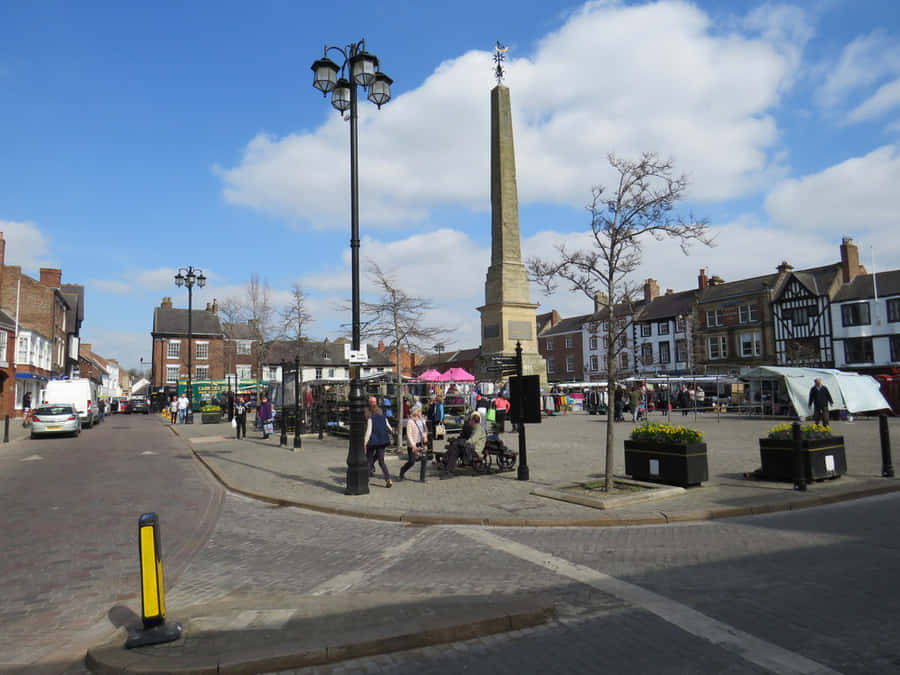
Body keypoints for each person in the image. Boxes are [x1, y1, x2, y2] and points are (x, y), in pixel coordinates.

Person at [442, 412, 487, 476]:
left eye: (470, 420)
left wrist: (462, 442)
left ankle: (447, 463)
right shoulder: (475, 428)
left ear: (473, 421)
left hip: (475, 451)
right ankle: (449, 469)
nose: (469, 422)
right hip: (470, 448)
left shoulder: (479, 429)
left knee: (457, 446)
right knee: (455, 448)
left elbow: (472, 440)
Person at [365, 405, 393, 487]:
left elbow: (369, 431)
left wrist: (365, 441)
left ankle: (366, 479)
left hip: (373, 441)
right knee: (381, 461)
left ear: (371, 412)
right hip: (383, 441)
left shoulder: (371, 419)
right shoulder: (384, 418)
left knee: (369, 460)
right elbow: (389, 428)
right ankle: (388, 479)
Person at [400, 405, 428, 481]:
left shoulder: (422, 420)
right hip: (413, 444)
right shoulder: (410, 421)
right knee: (412, 461)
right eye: (419, 411)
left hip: (421, 443)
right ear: (415, 412)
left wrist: (425, 436)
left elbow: (425, 430)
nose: (421, 412)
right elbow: (408, 434)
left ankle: (422, 478)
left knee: (424, 459)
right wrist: (413, 445)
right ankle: (402, 470)